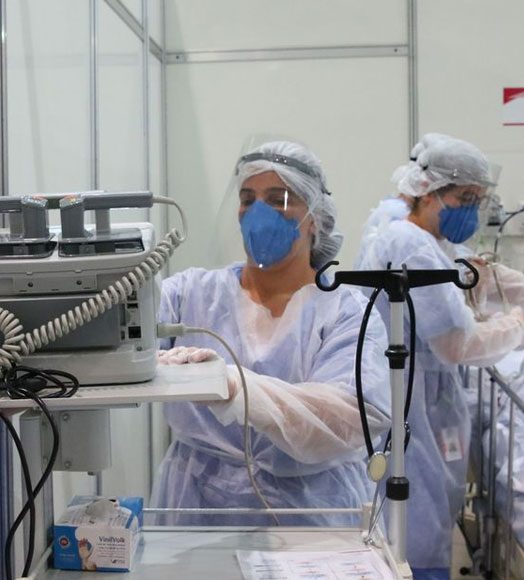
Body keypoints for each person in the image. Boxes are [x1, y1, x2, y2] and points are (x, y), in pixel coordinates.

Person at [152, 141, 391, 528]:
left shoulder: (346, 312)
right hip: (197, 506)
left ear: (314, 218)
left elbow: (348, 418)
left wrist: (237, 388)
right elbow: (125, 341)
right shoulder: (190, 294)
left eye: (279, 199)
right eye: (248, 199)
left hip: (312, 511)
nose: (258, 213)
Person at [355, 134, 524, 578]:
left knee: (427, 508)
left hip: (426, 394)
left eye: (477, 199)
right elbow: (457, 344)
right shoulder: (409, 243)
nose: (472, 209)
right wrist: (518, 323)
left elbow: (475, 275)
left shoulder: (431, 240)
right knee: (417, 518)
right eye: (464, 198)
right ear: (428, 192)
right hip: (410, 396)